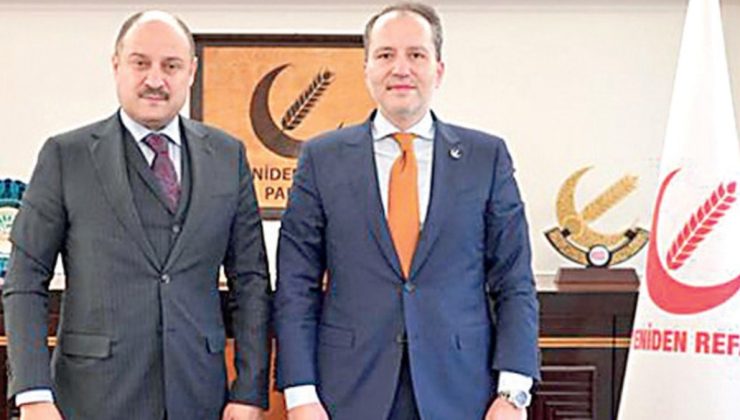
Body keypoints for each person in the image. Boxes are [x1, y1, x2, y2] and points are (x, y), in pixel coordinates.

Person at [274, 2, 539, 420]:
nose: (401, 69)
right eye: (385, 55)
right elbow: (296, 284)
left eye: (416, 54)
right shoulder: (322, 158)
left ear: (439, 70)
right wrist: (299, 394)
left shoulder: (485, 157)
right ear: (366, 69)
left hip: (463, 392)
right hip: (347, 392)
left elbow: (514, 280)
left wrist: (513, 392)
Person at [3, 10, 271, 420]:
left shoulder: (227, 156)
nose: (155, 79)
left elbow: (250, 280)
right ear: (116, 66)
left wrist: (250, 390)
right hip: (91, 400)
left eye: (171, 66)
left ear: (191, 71)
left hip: (199, 398)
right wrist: (33, 393)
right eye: (140, 63)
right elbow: (25, 279)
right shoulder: (66, 156)